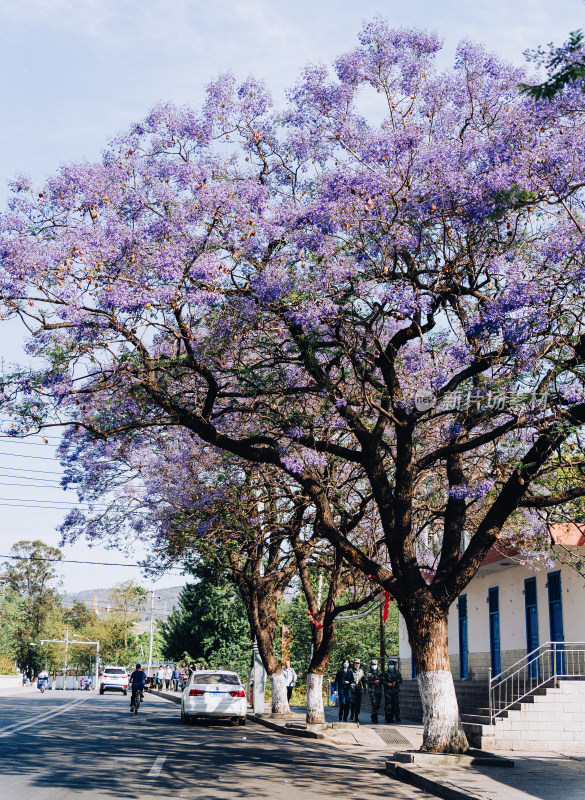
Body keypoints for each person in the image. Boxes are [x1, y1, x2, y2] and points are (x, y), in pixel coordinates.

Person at [367, 659, 383, 724]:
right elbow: (367, 681)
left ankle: (373, 714)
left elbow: (383, 680)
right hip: (372, 691)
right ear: (371, 665)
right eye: (373, 665)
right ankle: (375, 717)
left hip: (379, 690)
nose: (374, 666)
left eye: (375, 665)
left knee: (378, 704)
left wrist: (379, 681)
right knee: (374, 703)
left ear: (377, 665)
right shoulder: (369, 674)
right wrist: (373, 682)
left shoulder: (380, 673)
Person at [350, 658, 366, 722]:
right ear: (354, 663)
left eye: (358, 663)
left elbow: (363, 680)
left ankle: (356, 716)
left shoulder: (361, 671)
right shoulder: (350, 671)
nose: (357, 665)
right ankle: (352, 713)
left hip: (358, 688)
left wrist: (365, 688)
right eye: (356, 663)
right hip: (352, 688)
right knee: (353, 703)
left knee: (358, 703)